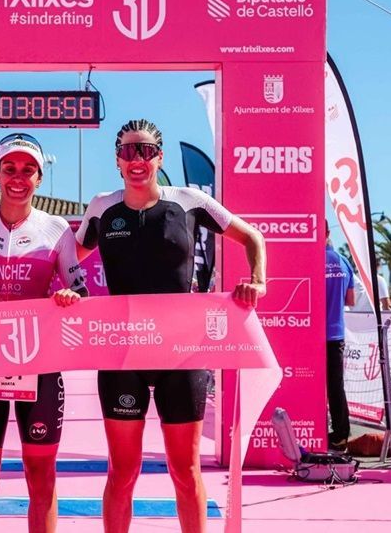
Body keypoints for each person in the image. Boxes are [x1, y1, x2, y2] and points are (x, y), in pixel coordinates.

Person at [75, 119, 266, 533]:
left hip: (182, 355)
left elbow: (253, 237)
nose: (137, 159)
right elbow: (67, 253)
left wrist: (257, 280)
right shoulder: (102, 207)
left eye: (145, 151)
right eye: (128, 151)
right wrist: (66, 288)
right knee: (122, 472)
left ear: (159, 158)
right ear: (117, 160)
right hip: (122, 355)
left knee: (185, 470)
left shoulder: (189, 201)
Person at [0, 133, 87, 533]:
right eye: (9, 168)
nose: (18, 177)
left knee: (41, 477)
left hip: (39, 364)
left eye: (28, 170)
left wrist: (70, 296)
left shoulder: (56, 229)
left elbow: (80, 289)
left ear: (39, 179)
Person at [326, 226, 356, 451]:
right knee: (336, 386)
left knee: (311, 384)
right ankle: (341, 435)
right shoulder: (344, 261)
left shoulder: (310, 260)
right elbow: (350, 300)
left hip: (311, 333)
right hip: (336, 333)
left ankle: (317, 429)